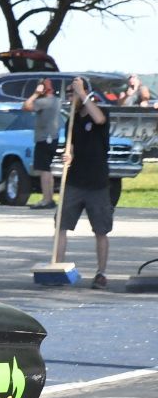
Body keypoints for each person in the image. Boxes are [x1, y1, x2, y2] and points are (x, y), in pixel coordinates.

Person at [55, 77, 113, 290]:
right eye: (70, 93)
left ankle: (101, 273)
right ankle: (57, 268)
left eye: (74, 92)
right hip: (74, 182)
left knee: (100, 229)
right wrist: (68, 155)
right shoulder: (73, 119)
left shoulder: (101, 111)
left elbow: (98, 120)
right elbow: (71, 147)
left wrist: (83, 93)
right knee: (61, 225)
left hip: (97, 183)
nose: (71, 96)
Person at [23, 78, 60, 209]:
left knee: (44, 170)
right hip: (53, 138)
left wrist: (36, 94)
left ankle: (46, 199)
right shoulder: (56, 100)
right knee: (48, 170)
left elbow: (26, 106)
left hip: (43, 139)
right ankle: (50, 198)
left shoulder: (43, 102)